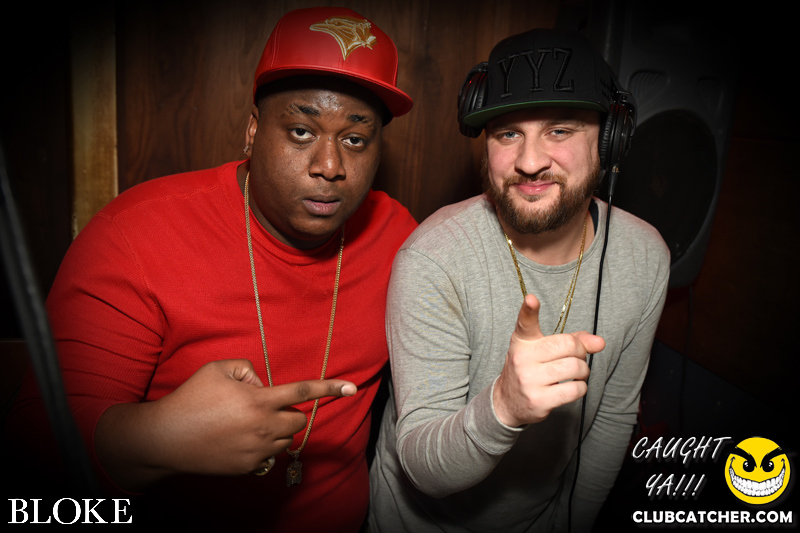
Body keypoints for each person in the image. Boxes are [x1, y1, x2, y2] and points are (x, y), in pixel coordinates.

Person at [8, 7, 417, 530]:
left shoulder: (400, 237)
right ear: (252, 131)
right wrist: (160, 438)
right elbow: (34, 448)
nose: (330, 166)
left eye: (355, 140)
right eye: (300, 131)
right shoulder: (136, 234)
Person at [368, 28, 670, 532]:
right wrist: (503, 407)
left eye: (560, 130)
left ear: (610, 139)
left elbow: (612, 419)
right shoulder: (434, 257)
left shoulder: (645, 258)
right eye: (508, 133)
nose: (530, 162)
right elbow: (421, 463)